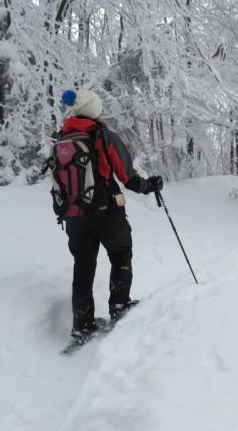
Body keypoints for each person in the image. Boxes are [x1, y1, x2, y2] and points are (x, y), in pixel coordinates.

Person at [57, 89, 163, 339]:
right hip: (106, 212)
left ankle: (82, 325)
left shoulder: (62, 138)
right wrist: (150, 185)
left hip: (74, 215)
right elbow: (128, 178)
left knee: (83, 265)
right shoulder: (104, 136)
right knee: (121, 253)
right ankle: (119, 305)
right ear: (94, 111)